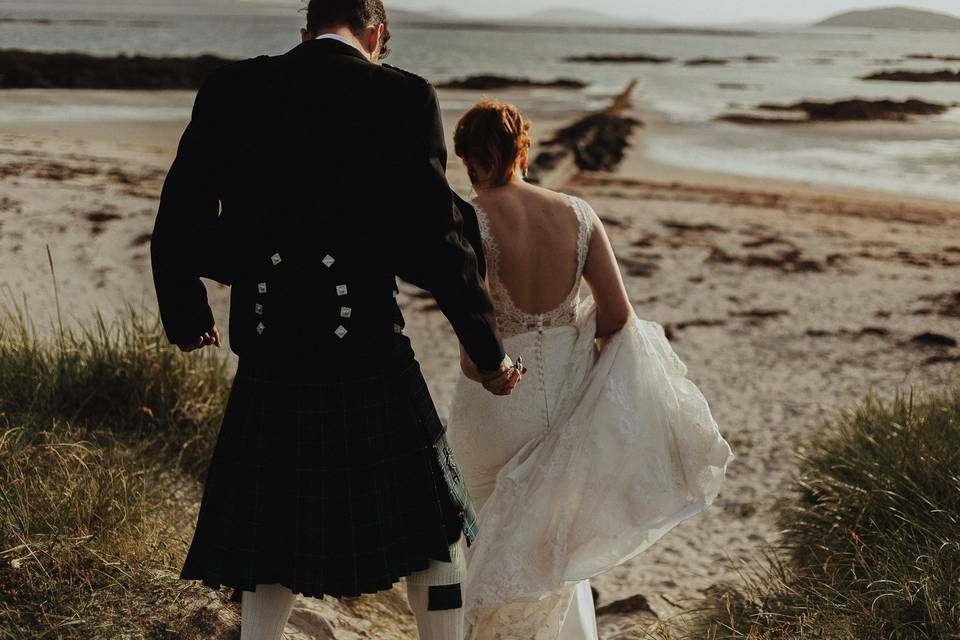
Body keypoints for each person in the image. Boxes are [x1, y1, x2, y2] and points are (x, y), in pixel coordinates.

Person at [149, 2, 522, 638]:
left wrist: (186, 311)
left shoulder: (232, 89)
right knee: (433, 526)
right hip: (369, 348)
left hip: (269, 349)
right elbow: (439, 244)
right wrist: (488, 355)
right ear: (376, 34)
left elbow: (180, 206)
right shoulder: (404, 97)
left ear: (305, 31)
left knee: (270, 528)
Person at [445, 100, 735, 639]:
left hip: (495, 399)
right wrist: (566, 328)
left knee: (483, 535)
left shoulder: (468, 217)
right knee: (555, 543)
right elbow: (617, 315)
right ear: (522, 150)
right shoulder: (578, 213)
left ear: (469, 159)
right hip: (566, 397)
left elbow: (470, 327)